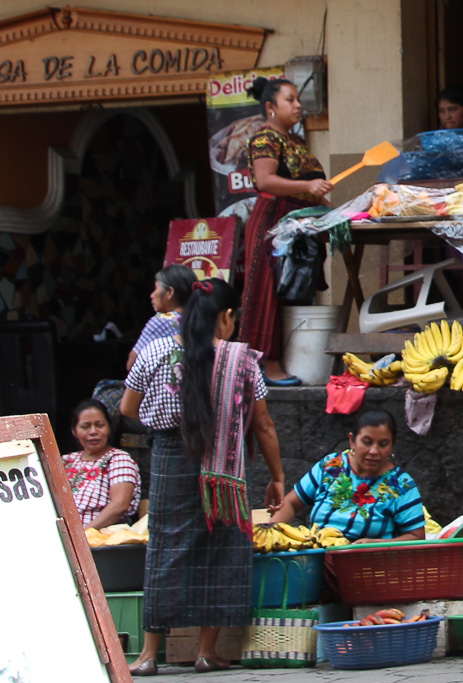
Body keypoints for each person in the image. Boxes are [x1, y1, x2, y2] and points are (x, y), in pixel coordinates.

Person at [121, 278, 285, 676]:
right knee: (221, 546)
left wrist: (165, 424)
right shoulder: (242, 360)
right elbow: (262, 425)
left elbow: (127, 407)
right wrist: (278, 475)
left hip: (169, 458)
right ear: (226, 317)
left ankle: (146, 655)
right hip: (225, 464)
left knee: (165, 547)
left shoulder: (156, 351)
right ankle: (206, 652)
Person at [240, 77, 333, 386]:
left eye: (298, 100)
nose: (298, 106)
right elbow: (265, 181)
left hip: (298, 223)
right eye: (290, 100)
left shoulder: (295, 140)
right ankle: (266, 364)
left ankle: (291, 359)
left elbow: (310, 187)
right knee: (269, 291)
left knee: (295, 289)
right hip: (273, 223)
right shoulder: (265, 138)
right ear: (270, 107)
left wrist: (334, 211)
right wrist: (308, 186)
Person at [270, 409, 426, 543]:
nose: (374, 451)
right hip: (316, 557)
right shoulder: (332, 465)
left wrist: (376, 544)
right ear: (352, 441)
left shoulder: (400, 484)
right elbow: (291, 502)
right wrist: (269, 533)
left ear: (392, 445)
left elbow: (417, 536)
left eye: (383, 444)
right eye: (366, 442)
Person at [62, 399, 141, 529]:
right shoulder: (65, 461)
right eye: (85, 426)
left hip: (98, 538)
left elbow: (119, 505)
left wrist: (83, 534)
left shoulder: (118, 459)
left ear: (109, 428)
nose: (93, 431)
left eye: (99, 425)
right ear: (74, 431)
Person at [127, 265, 196, 372]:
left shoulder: (161, 321)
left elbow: (132, 364)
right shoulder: (199, 318)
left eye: (155, 288)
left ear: (169, 292)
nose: (152, 295)